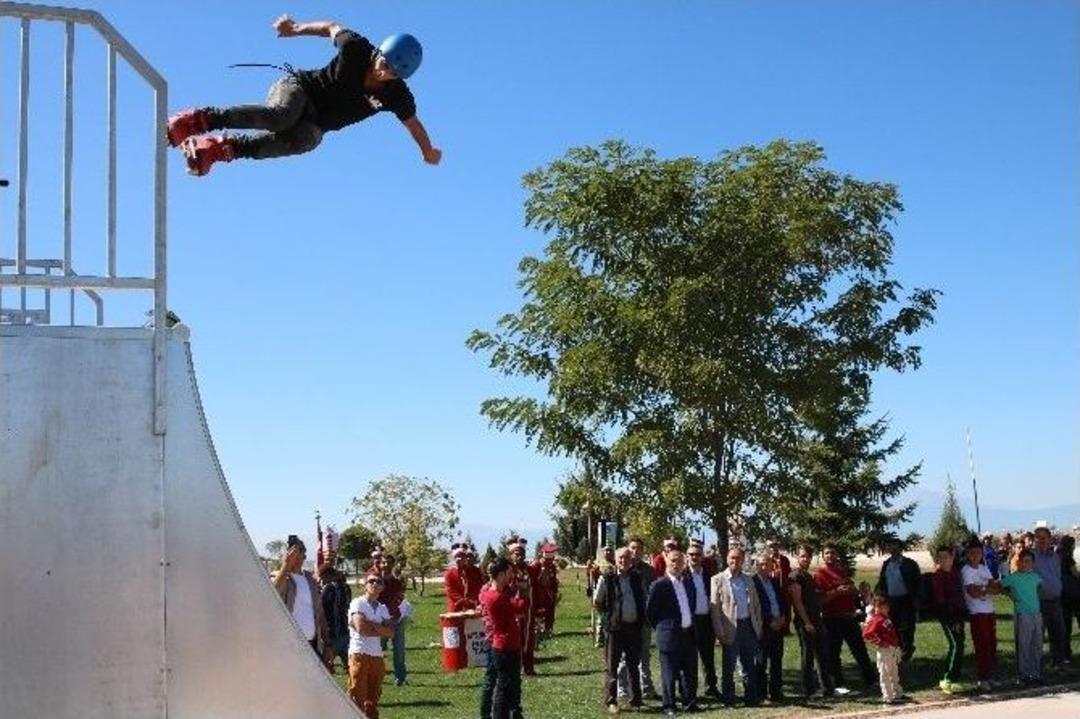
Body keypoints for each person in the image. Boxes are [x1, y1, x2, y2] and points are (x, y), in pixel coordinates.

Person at [166, 14, 441, 176]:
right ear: (379, 53)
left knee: (308, 140)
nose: (383, 75)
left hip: (316, 122)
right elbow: (331, 27)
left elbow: (413, 124)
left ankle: (221, 149)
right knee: (281, 117)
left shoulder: (397, 95)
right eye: (384, 65)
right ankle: (198, 120)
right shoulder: (357, 48)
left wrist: (427, 151)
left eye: (392, 74)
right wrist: (295, 29)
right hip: (299, 89)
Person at [814, 544, 876, 693]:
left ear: (837, 555)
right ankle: (838, 684)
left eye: (832, 553)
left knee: (860, 650)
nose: (830, 556)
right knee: (834, 653)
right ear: (823, 556)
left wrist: (858, 592)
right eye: (827, 553)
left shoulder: (842, 572)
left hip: (849, 617)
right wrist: (836, 592)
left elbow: (853, 593)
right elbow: (819, 600)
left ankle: (871, 680)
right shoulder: (820, 574)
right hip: (832, 619)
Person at [593, 547, 648, 714]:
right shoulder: (607, 578)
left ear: (631, 559)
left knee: (633, 664)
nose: (623, 561)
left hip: (633, 628)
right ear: (615, 560)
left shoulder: (637, 578)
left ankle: (636, 699)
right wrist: (609, 616)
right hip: (615, 629)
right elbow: (598, 601)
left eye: (626, 557)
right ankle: (611, 700)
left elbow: (643, 598)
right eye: (620, 558)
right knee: (612, 666)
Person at [646, 549, 699, 716]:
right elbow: (650, 612)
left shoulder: (688, 583)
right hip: (669, 635)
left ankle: (689, 702)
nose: (676, 564)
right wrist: (663, 628)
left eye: (680, 561)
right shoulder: (659, 585)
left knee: (690, 671)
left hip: (688, 633)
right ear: (666, 562)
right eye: (673, 561)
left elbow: (692, 604)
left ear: (684, 564)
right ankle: (669, 705)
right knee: (669, 673)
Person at [711, 547, 762, 707]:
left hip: (748, 625)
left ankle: (751, 698)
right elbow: (715, 609)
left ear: (743, 560)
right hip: (730, 628)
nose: (735, 561)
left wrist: (758, 625)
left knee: (749, 664)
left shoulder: (748, 579)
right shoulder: (717, 579)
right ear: (727, 559)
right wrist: (719, 631)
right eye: (732, 558)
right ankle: (729, 699)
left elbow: (755, 605)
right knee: (729, 666)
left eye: (739, 558)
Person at [480, 557, 528, 719]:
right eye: (508, 573)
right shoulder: (496, 597)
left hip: (506, 645)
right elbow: (520, 608)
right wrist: (523, 591)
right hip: (505, 647)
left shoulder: (494, 593)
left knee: (510, 686)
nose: (511, 576)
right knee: (503, 688)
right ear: (500, 575)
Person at [272, 536, 331, 663]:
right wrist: (286, 566)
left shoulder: (310, 579)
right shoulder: (280, 576)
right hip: (288, 646)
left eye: (298, 550)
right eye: (291, 550)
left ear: (304, 555)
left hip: (312, 643)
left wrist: (327, 643)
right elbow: (273, 593)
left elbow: (319, 612)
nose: (294, 554)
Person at [789, 545, 834, 698]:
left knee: (822, 655)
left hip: (817, 619)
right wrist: (807, 622)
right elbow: (797, 602)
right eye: (802, 556)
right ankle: (810, 690)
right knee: (808, 657)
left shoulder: (808, 575)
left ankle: (827, 688)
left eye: (808, 556)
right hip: (805, 622)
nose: (805, 559)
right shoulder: (795, 576)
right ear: (797, 557)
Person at [347, 573, 394, 718]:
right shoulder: (358, 603)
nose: (374, 584)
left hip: (377, 655)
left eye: (378, 581)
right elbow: (361, 628)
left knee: (373, 699)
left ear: (382, 587)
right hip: (359, 653)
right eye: (371, 581)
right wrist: (379, 628)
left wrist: (371, 625)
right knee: (357, 695)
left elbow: (391, 632)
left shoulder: (382, 608)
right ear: (365, 585)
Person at [618, 538, 658, 700]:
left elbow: (653, 593)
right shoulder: (621, 569)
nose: (636, 551)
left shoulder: (649, 570)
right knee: (624, 656)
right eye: (633, 548)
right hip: (626, 620)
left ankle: (646, 687)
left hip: (644, 619)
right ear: (628, 549)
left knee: (645, 655)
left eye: (639, 548)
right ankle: (623, 689)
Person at [1000, 549, 1045, 685]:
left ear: (1033, 563)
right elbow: (1000, 585)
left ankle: (1035, 674)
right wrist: (1010, 595)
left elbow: (1039, 589)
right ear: (1019, 562)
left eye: (1029, 561)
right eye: (1024, 561)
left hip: (1036, 614)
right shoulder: (1014, 577)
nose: (1027, 564)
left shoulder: (1036, 576)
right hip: (1022, 614)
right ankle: (1023, 674)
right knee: (1024, 645)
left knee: (1036, 644)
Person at [874, 537, 921, 662]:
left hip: (906, 600)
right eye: (890, 546)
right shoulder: (886, 564)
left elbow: (918, 583)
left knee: (906, 628)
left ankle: (907, 650)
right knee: (893, 627)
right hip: (891, 601)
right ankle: (899, 651)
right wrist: (878, 596)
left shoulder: (909, 564)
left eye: (895, 546)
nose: (892, 549)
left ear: (900, 548)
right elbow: (882, 582)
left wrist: (916, 600)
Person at [930, 544, 969, 694]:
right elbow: (941, 601)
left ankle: (954, 679)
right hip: (948, 616)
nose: (943, 560)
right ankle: (947, 679)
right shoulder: (938, 576)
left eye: (946, 557)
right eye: (940, 558)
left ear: (952, 558)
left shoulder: (955, 572)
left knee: (960, 645)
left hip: (959, 614)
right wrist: (952, 620)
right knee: (955, 644)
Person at [961, 537, 999, 691]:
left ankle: (990, 675)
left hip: (989, 611)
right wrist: (986, 589)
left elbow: (995, 588)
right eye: (972, 552)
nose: (975, 555)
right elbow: (972, 592)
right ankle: (982, 678)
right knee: (982, 645)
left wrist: (982, 588)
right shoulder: (966, 570)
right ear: (967, 554)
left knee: (991, 644)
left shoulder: (984, 568)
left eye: (978, 552)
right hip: (977, 613)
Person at [685, 540, 720, 699]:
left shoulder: (708, 575)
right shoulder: (683, 575)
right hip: (690, 622)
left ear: (702, 557)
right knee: (690, 658)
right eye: (691, 554)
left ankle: (711, 687)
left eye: (697, 554)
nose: (694, 557)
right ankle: (690, 691)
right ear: (687, 556)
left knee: (708, 657)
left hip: (706, 620)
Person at [369, 551, 409, 685]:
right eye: (384, 562)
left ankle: (400, 677)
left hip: (397, 619)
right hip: (382, 621)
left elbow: (400, 596)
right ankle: (374, 676)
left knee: (399, 650)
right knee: (377, 650)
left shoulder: (396, 581)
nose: (386, 565)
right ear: (379, 563)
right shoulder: (375, 581)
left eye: (389, 563)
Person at [317, 529, 353, 674]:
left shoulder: (328, 589)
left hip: (332, 633)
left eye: (322, 577)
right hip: (345, 630)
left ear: (327, 576)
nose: (321, 580)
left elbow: (321, 609)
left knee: (327, 667)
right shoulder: (346, 588)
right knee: (350, 667)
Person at [1032, 527, 1068, 669]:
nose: (1041, 540)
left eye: (1044, 537)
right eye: (1038, 537)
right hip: (1039, 602)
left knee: (1059, 634)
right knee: (1038, 637)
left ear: (1050, 539)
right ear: (1034, 540)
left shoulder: (1055, 557)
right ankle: (1036, 667)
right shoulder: (1031, 556)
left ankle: (1058, 663)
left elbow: (1057, 575)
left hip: (1055, 601)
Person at [754, 554, 787, 703]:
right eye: (761, 564)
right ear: (756, 566)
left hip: (778, 626)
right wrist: (769, 622)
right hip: (763, 627)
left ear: (771, 566)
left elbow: (780, 601)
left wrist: (782, 618)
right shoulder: (753, 583)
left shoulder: (774, 582)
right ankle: (761, 694)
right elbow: (755, 607)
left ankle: (776, 692)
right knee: (761, 662)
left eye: (766, 564)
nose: (764, 567)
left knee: (776, 661)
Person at [862, 593, 904, 705]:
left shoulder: (885, 618)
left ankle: (897, 692)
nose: (887, 609)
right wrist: (880, 642)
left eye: (886, 607)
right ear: (877, 608)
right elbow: (867, 634)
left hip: (892, 649)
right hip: (885, 650)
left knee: (894, 672)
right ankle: (887, 697)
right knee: (885, 673)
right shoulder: (876, 620)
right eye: (884, 607)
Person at [508, 537, 541, 675]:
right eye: (516, 554)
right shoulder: (508, 571)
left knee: (528, 638)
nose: (519, 556)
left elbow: (538, 572)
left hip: (528, 609)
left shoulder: (530, 570)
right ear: (511, 555)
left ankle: (528, 666)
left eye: (521, 553)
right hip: (512, 609)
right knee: (515, 638)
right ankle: (516, 666)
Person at [446, 543, 485, 612]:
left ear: (465, 559)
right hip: (457, 607)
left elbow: (478, 587)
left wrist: (472, 600)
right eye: (457, 556)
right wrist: (464, 602)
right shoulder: (450, 573)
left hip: (473, 606)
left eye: (462, 556)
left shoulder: (473, 571)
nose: (459, 559)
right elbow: (451, 591)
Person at [532, 544, 561, 638]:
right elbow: (534, 581)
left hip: (549, 593)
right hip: (539, 593)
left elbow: (553, 580)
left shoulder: (552, 567)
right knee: (539, 612)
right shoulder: (536, 565)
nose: (549, 562)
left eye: (551, 560)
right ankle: (538, 631)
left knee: (550, 611)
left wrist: (555, 592)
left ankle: (548, 629)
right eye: (547, 560)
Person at [1060, 535, 1080, 661]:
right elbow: (1076, 575)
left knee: (1065, 626)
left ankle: (1066, 654)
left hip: (1062, 595)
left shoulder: (1057, 556)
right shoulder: (1068, 558)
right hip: (1074, 595)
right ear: (1071, 545)